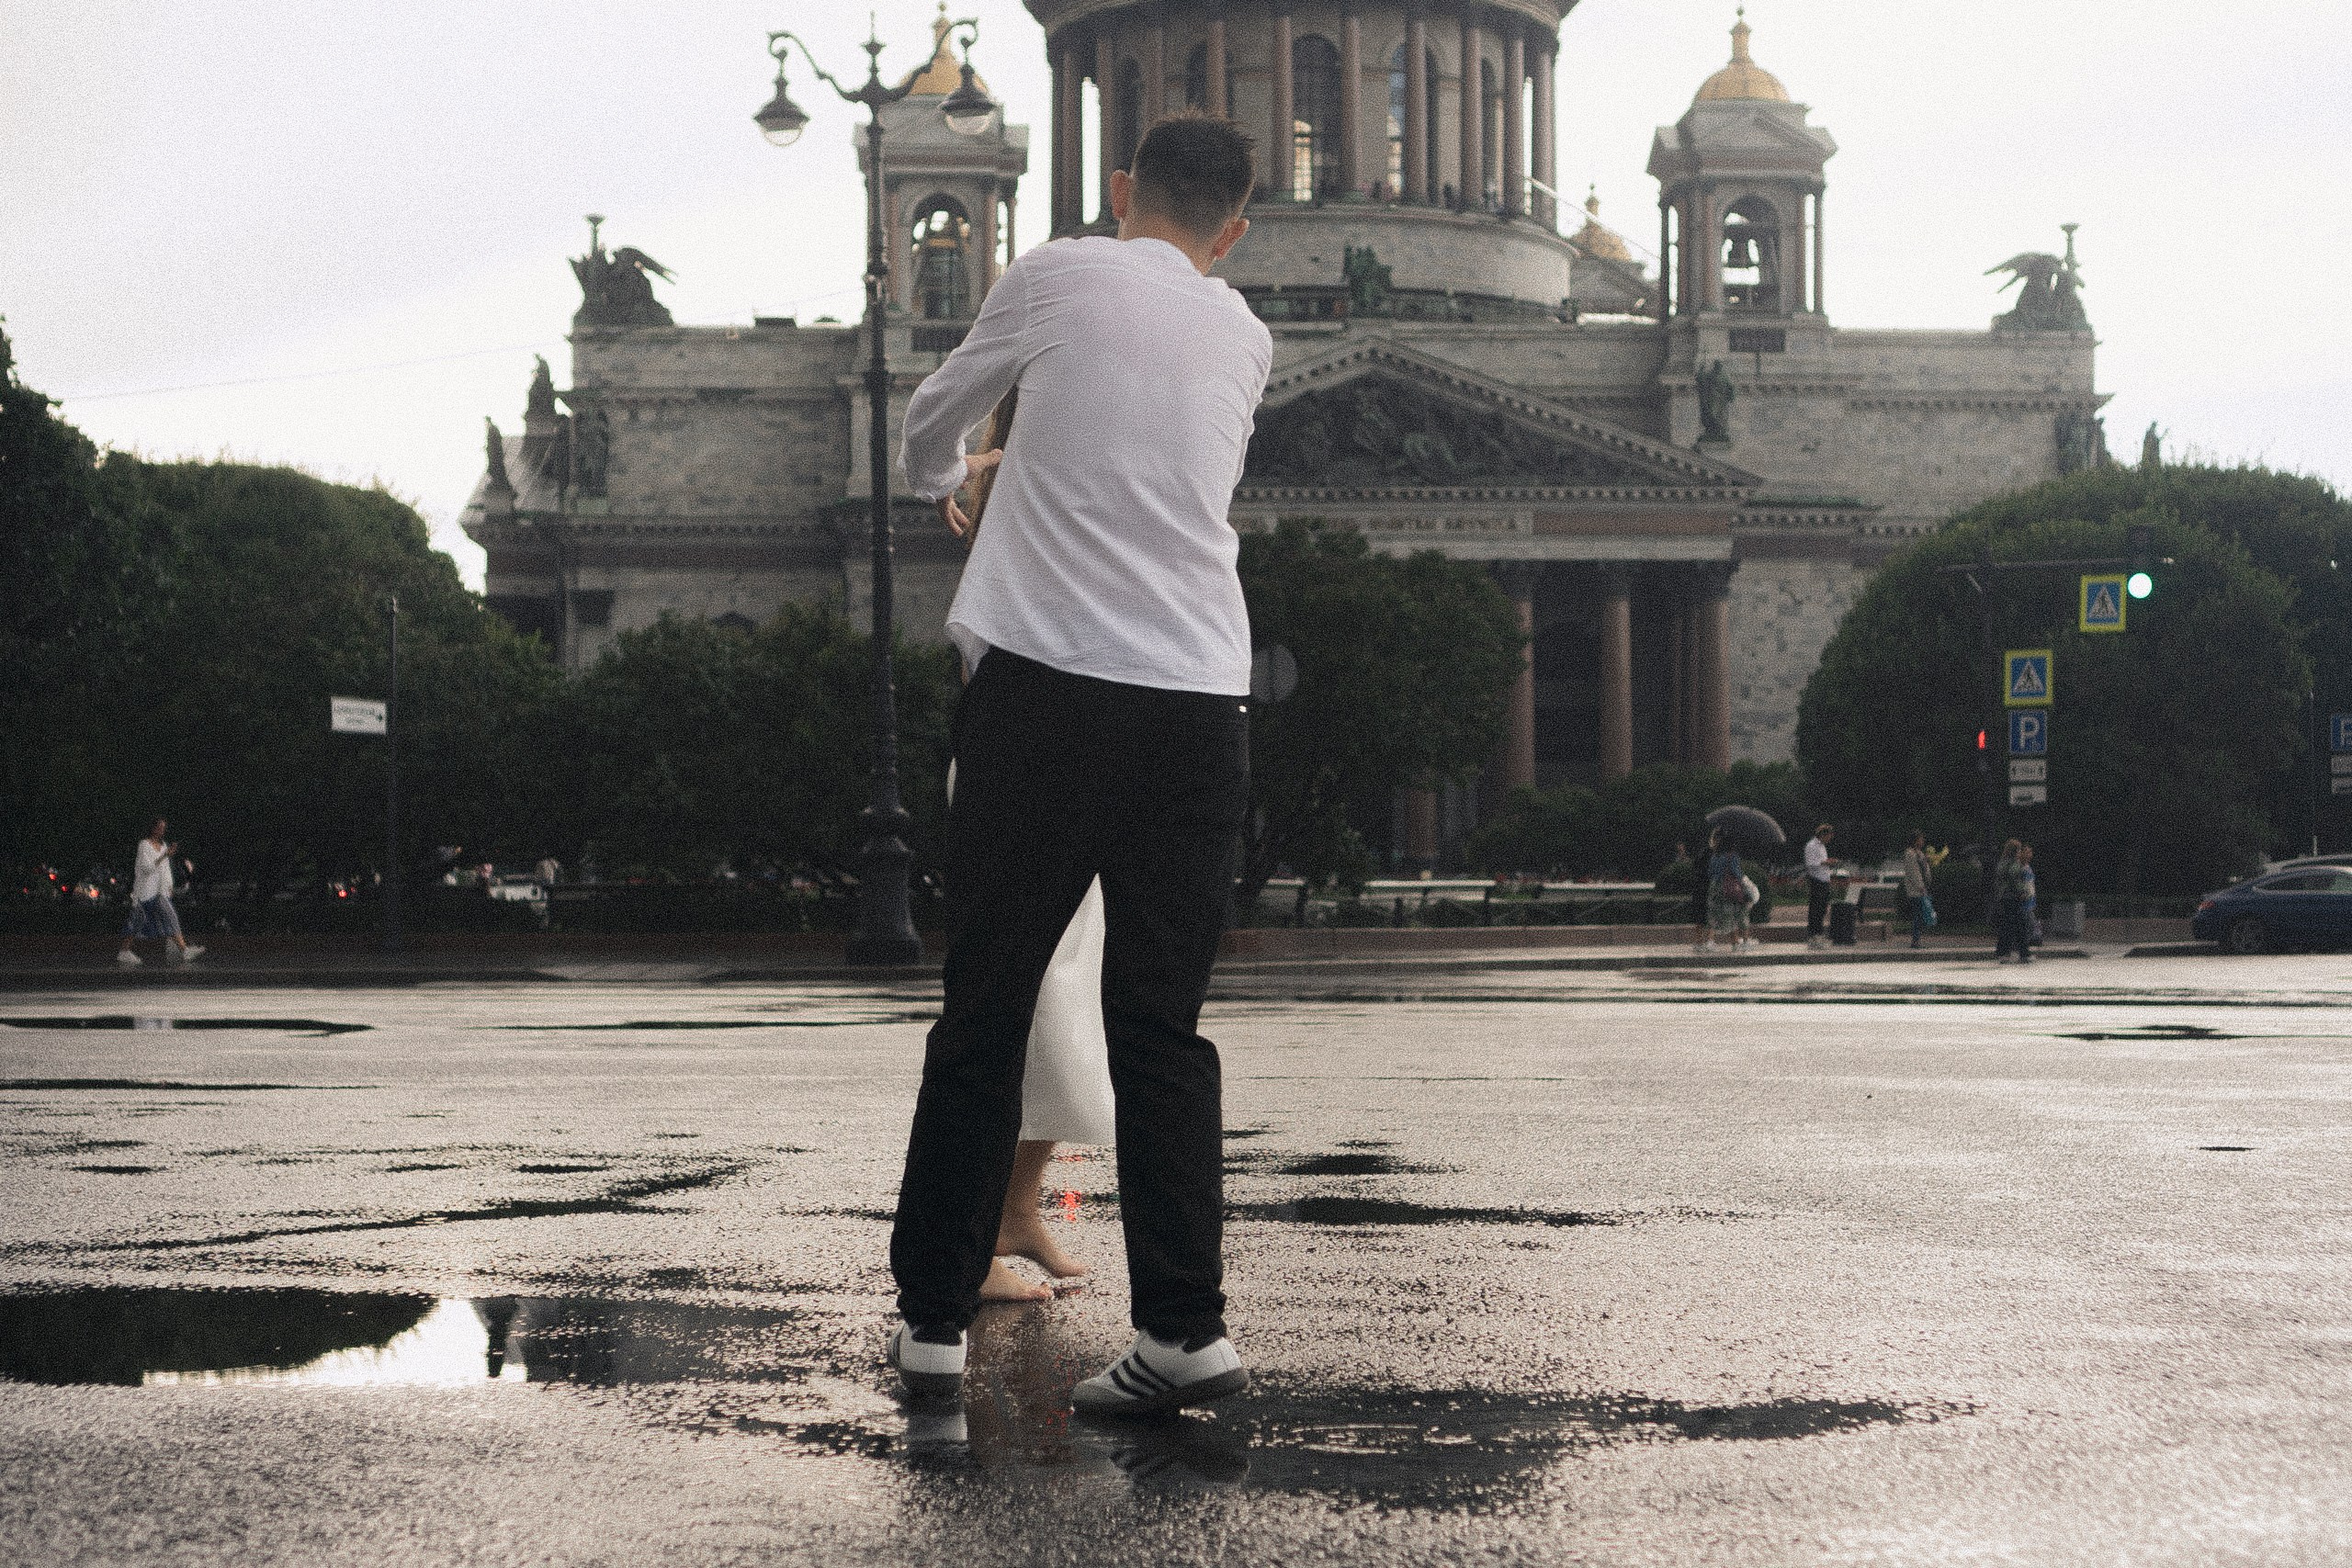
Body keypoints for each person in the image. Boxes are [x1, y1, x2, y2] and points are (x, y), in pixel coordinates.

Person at [885, 113, 1267, 1418]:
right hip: (1200, 698)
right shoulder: (1246, 331)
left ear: (1120, 191)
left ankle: (934, 1320)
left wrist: (964, 472)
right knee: (1162, 1026)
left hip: (1048, 689)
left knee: (985, 1006)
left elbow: (929, 417)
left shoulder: (1055, 270)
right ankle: (1184, 1328)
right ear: (1236, 230)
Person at [116, 818, 202, 966]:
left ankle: (184, 949)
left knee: (170, 916)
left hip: (159, 892)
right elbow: (146, 868)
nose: (163, 831)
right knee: (137, 921)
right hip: (145, 892)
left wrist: (169, 887)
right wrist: (164, 855)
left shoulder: (164, 847)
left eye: (164, 828)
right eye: (160, 828)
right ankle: (124, 951)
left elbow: (165, 871)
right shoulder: (144, 845)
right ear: (153, 829)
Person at [1703, 829, 1750, 952]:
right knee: (1732, 914)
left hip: (1714, 887)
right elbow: (1737, 874)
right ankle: (1735, 943)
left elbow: (1710, 873)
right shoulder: (1732, 856)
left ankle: (1710, 941)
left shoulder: (1715, 856)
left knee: (1713, 914)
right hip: (1728, 888)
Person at [1994, 840, 2038, 963]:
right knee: (2020, 926)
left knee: (2007, 926)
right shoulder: (2015, 864)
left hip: (2005, 897)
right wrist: (2023, 892)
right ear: (2015, 851)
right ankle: (2023, 953)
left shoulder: (2002, 863)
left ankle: (2003, 952)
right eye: (2019, 850)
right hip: (2015, 898)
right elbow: (2016, 880)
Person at [1803, 823, 1842, 949]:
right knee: (1816, 909)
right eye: (1829, 836)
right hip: (1816, 881)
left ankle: (1819, 934)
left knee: (1822, 909)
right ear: (1823, 834)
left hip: (1824, 880)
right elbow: (1810, 863)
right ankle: (1814, 936)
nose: (1829, 839)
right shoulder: (1811, 846)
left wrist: (1828, 863)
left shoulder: (1821, 847)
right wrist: (1825, 862)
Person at [1900, 831, 1940, 950]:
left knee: (1920, 915)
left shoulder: (1919, 854)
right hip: (1916, 890)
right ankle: (1915, 939)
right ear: (1915, 840)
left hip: (1922, 888)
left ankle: (1917, 938)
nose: (1922, 841)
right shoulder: (1910, 854)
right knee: (1917, 915)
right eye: (1920, 839)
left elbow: (1924, 869)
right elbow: (1913, 872)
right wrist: (1920, 887)